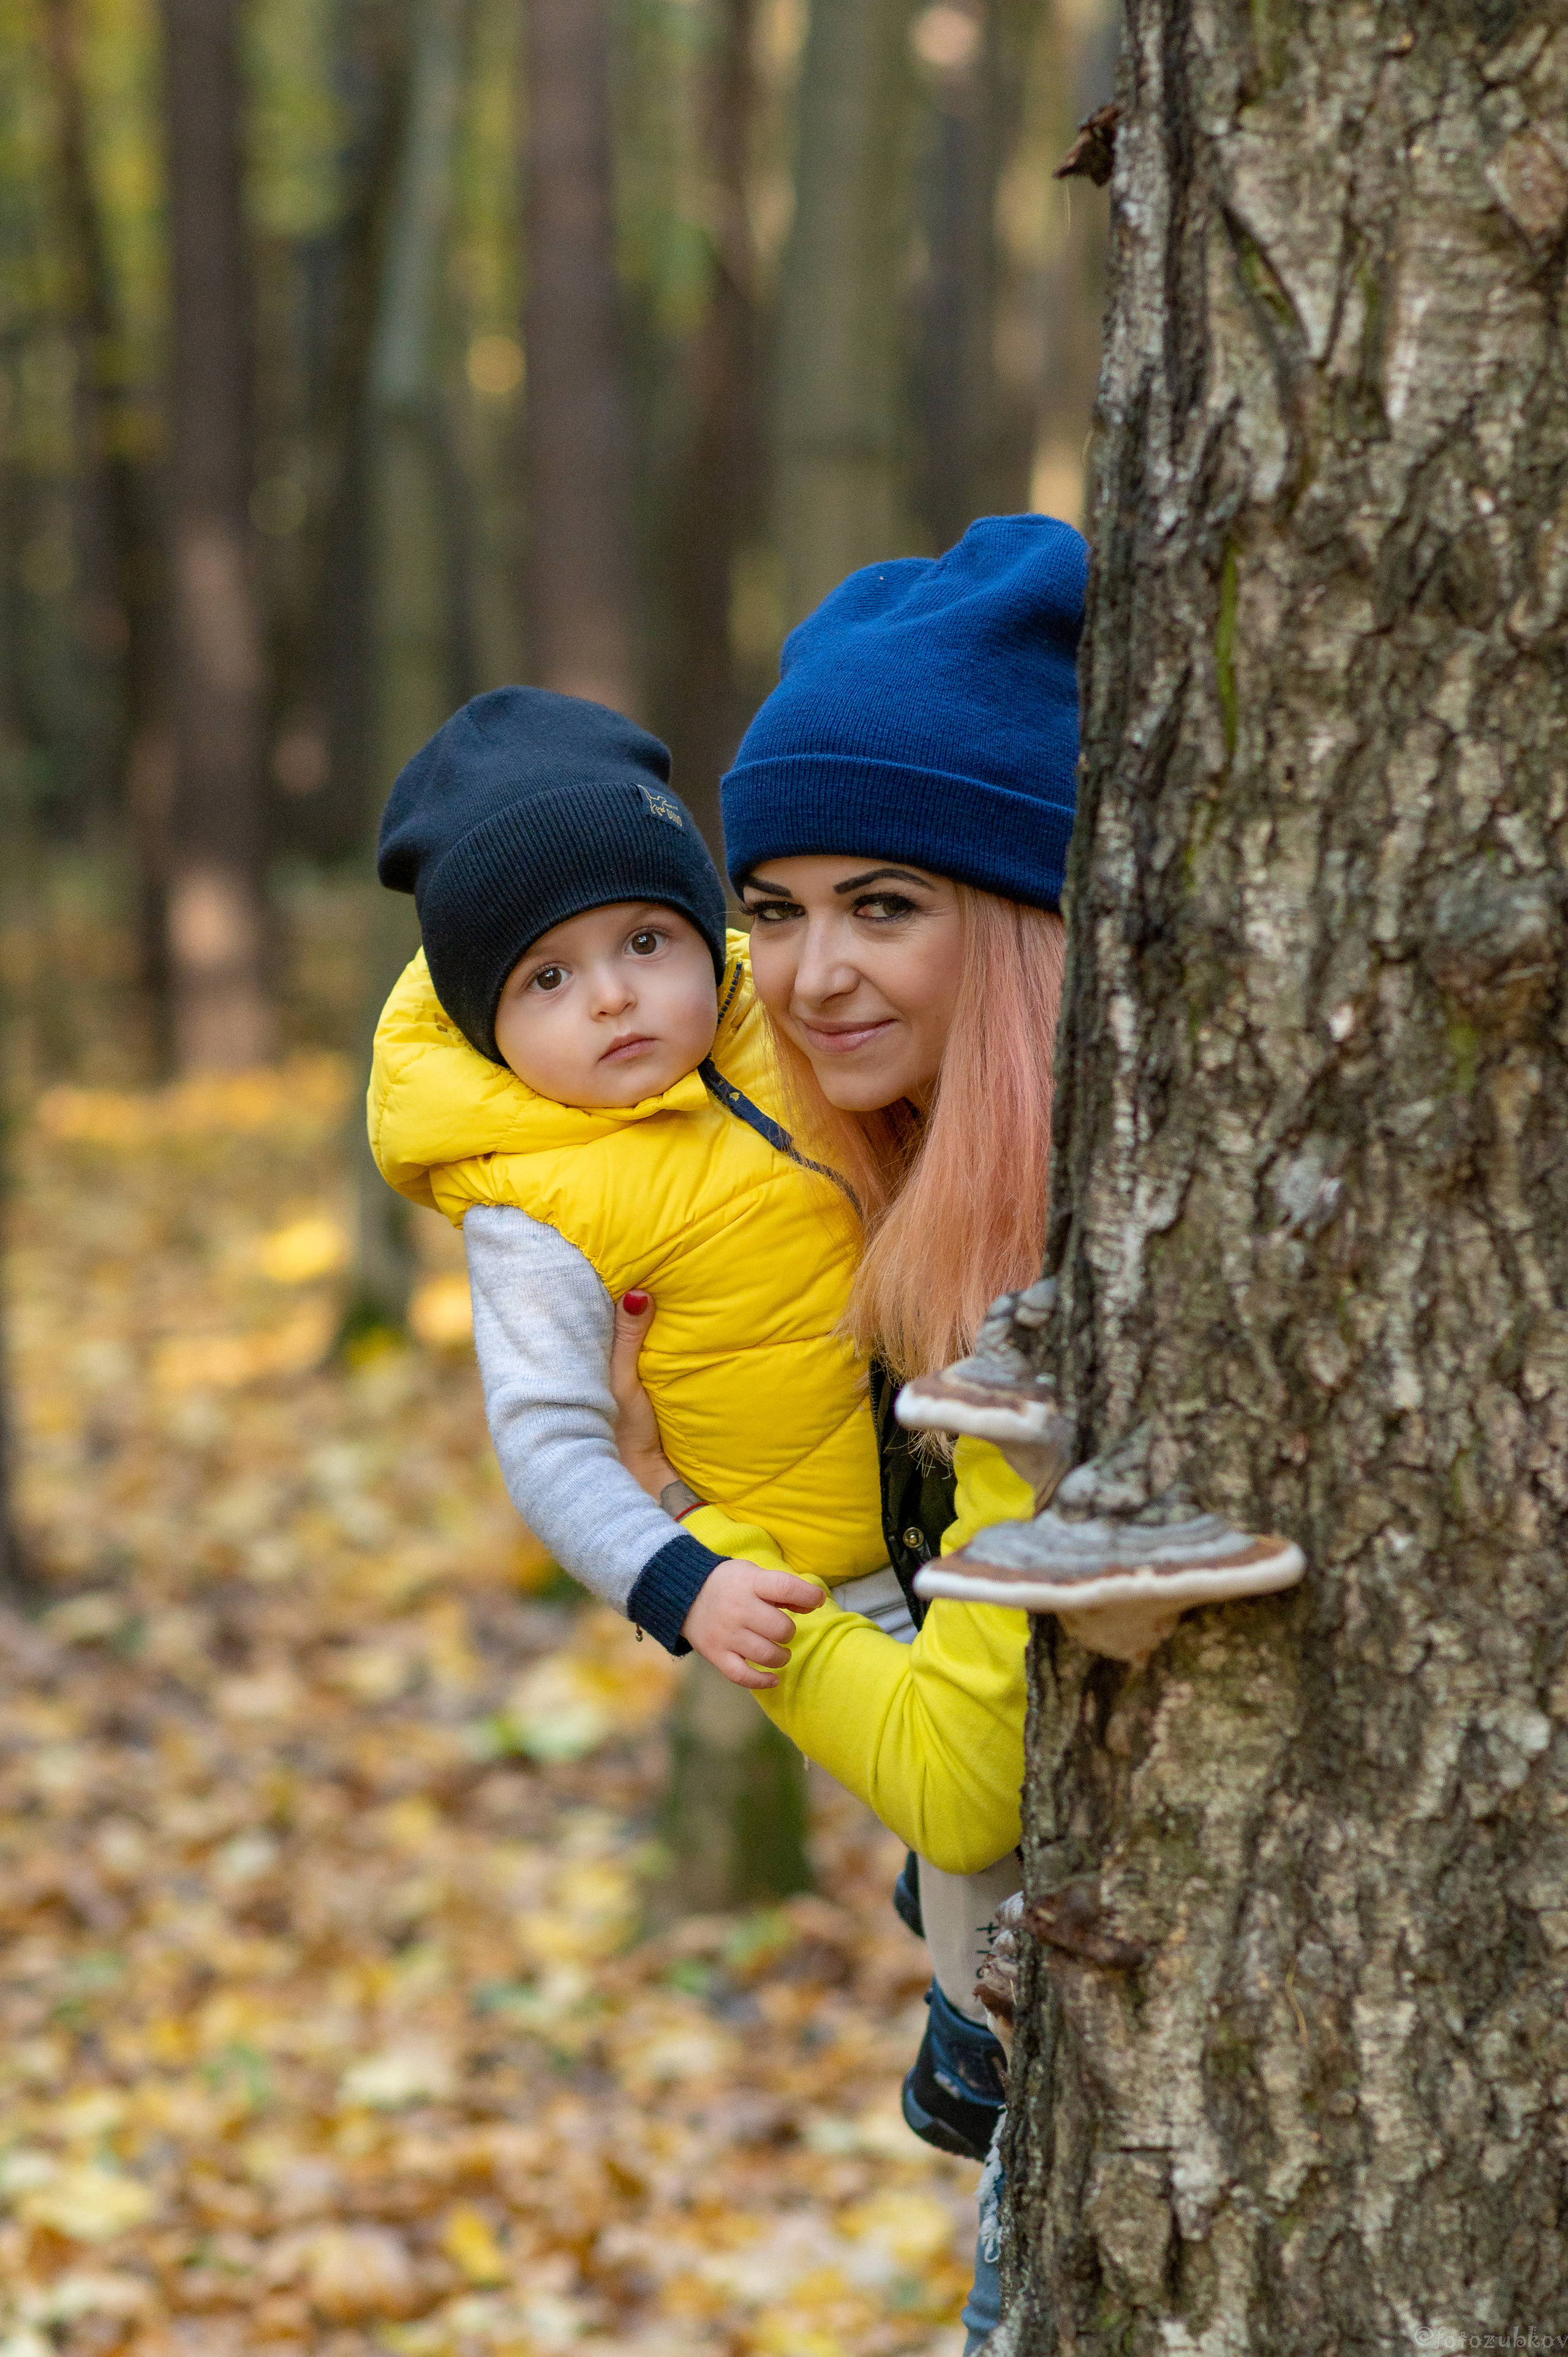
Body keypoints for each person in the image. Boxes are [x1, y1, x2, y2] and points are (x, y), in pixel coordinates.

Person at [607, 510, 1087, 2353]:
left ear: (1026, 915)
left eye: (887, 904)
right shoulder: (879, 1210)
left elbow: (965, 1784)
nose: (813, 977)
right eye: (776, 909)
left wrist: (708, 1549)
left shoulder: (1028, 1272)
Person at [368, 686, 1029, 1884]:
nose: (612, 994)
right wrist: (685, 1579)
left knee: (1007, 1819)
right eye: (546, 979)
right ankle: (971, 2028)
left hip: (962, 1480)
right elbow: (550, 1438)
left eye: (642, 940)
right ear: (485, 1028)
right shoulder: (531, 1205)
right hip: (807, 1571)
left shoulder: (794, 1025)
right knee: (969, 1829)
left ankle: (966, 2016)